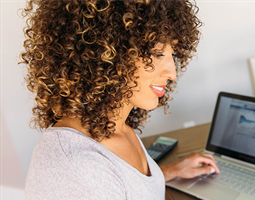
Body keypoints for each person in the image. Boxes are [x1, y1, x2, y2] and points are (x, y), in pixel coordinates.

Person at [20, 0, 220, 199]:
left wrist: (169, 172)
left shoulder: (113, 126)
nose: (172, 73)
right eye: (156, 54)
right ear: (105, 55)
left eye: (172, 53)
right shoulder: (80, 170)